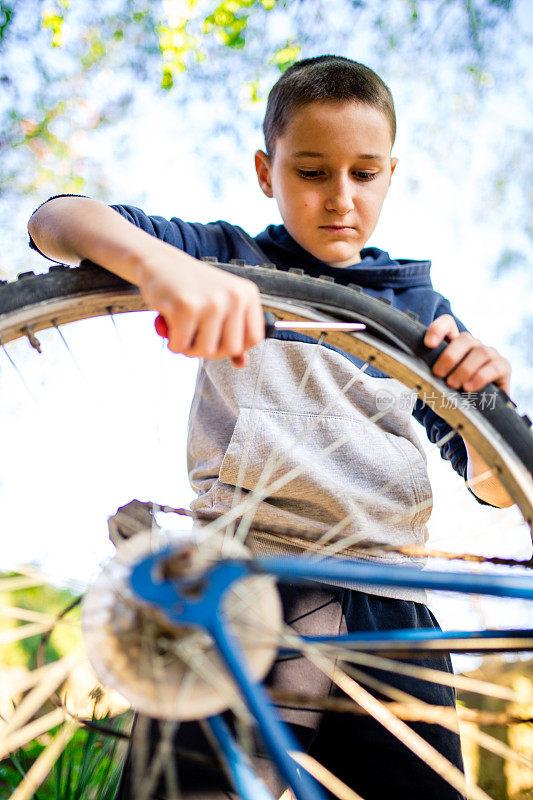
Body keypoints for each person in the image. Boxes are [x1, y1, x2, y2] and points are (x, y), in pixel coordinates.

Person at [28, 55, 512, 800]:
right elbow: (54, 221)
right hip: (234, 589)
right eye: (312, 173)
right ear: (266, 171)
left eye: (364, 173)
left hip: (385, 610)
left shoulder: (417, 311)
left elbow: (492, 484)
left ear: (390, 173)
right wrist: (160, 268)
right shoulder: (230, 262)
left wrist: (486, 403)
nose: (339, 198)